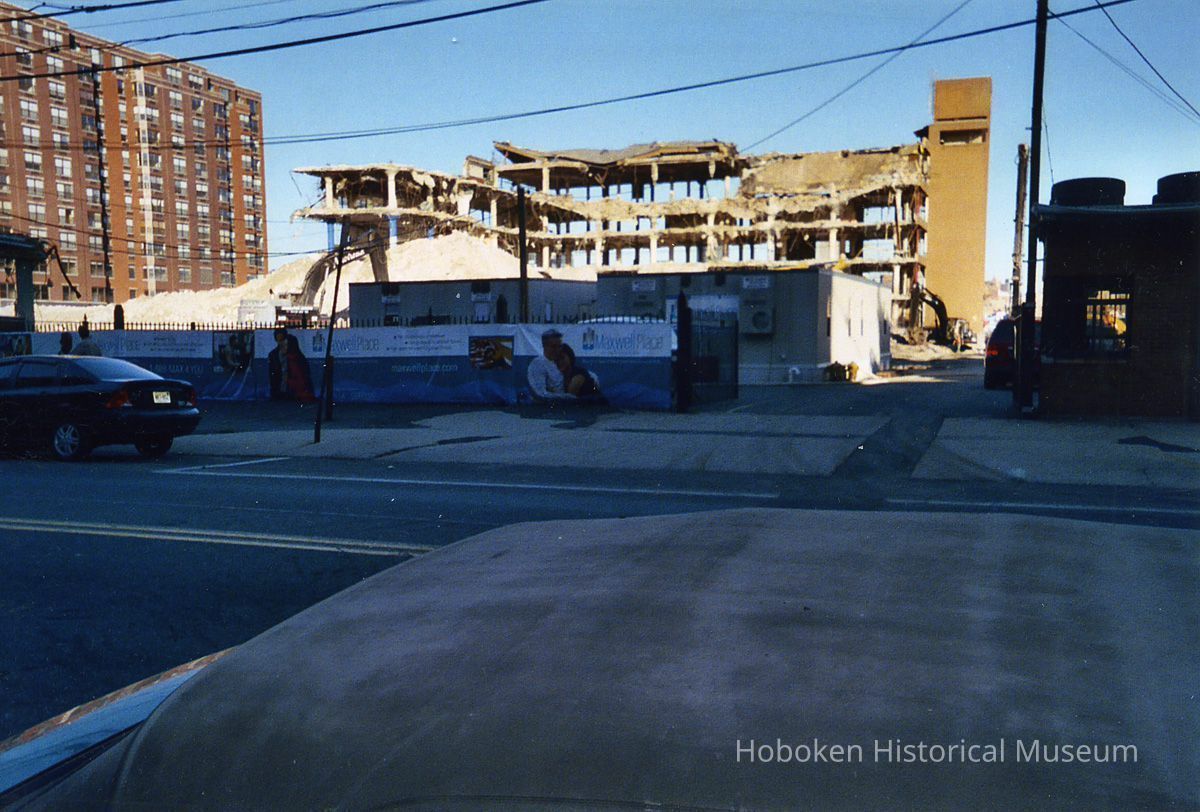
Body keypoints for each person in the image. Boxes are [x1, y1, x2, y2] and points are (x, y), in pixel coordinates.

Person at [268, 329, 316, 402]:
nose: (281, 342)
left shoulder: (296, 356)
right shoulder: (274, 355)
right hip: (283, 391)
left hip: (292, 391)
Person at [526, 328, 574, 401]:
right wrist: (567, 397)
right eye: (553, 347)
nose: (557, 350)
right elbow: (540, 394)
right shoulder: (538, 364)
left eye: (559, 346)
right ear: (544, 346)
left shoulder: (561, 362)